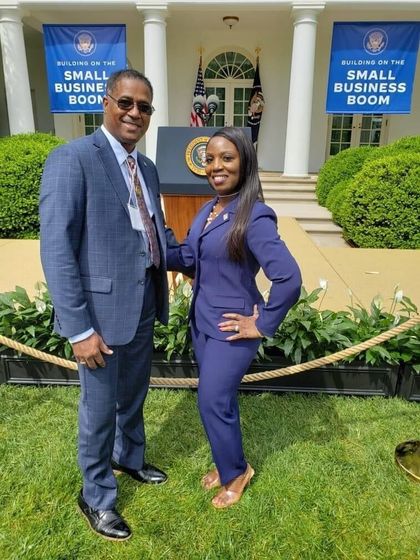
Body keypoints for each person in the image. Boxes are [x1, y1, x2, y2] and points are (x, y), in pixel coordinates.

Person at [40, 69, 177, 541]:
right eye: (126, 103)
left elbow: (151, 228)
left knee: (133, 396)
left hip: (141, 302)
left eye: (144, 107)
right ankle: (95, 496)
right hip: (98, 314)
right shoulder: (72, 159)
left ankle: (129, 458)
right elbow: (57, 248)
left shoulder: (149, 168)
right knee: (98, 409)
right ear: (106, 103)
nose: (135, 113)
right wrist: (78, 330)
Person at [167, 127, 302, 509]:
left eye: (227, 158)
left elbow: (289, 277)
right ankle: (228, 463)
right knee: (214, 401)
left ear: (244, 162)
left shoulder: (255, 215)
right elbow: (191, 260)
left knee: (213, 399)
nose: (216, 166)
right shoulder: (210, 209)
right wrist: (158, 244)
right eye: (210, 159)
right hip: (202, 323)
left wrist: (261, 324)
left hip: (232, 328)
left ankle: (237, 472)